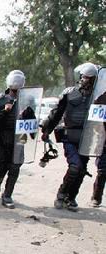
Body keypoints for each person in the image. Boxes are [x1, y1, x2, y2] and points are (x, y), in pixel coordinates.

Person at [42, 62, 99, 211]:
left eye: (90, 78)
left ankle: (71, 197)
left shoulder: (98, 96)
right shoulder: (69, 93)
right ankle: (61, 194)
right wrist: (46, 130)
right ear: (80, 77)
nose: (87, 80)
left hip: (87, 139)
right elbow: (56, 113)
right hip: (70, 136)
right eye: (85, 77)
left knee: (81, 170)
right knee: (75, 167)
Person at [0, 70, 26, 209]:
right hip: (3, 136)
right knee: (0, 167)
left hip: (20, 137)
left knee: (15, 167)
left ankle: (7, 195)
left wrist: (28, 114)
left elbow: (33, 122)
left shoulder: (28, 100)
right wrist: (5, 111)